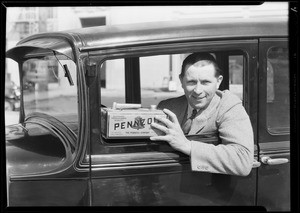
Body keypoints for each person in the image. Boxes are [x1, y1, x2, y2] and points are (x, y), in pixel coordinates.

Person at [150, 52, 254, 176]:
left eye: (205, 82)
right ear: (181, 81)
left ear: (218, 81)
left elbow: (242, 160)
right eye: (191, 82)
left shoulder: (229, 106)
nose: (198, 90)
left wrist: (187, 145)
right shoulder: (167, 107)